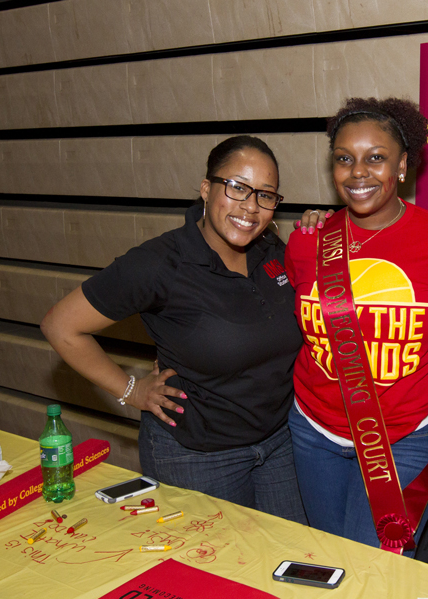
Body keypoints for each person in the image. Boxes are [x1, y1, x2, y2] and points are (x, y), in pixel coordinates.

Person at [41, 136, 307, 524]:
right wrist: (131, 391)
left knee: (292, 567)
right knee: (216, 577)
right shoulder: (160, 263)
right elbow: (61, 326)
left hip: (279, 444)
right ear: (206, 188)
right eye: (237, 188)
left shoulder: (274, 250)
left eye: (265, 195)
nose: (250, 207)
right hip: (197, 455)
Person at [284, 97, 428, 552]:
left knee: (376, 571)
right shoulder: (306, 241)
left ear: (403, 166)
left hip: (403, 436)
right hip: (313, 431)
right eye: (344, 159)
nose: (358, 172)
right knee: (329, 560)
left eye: (376, 158)